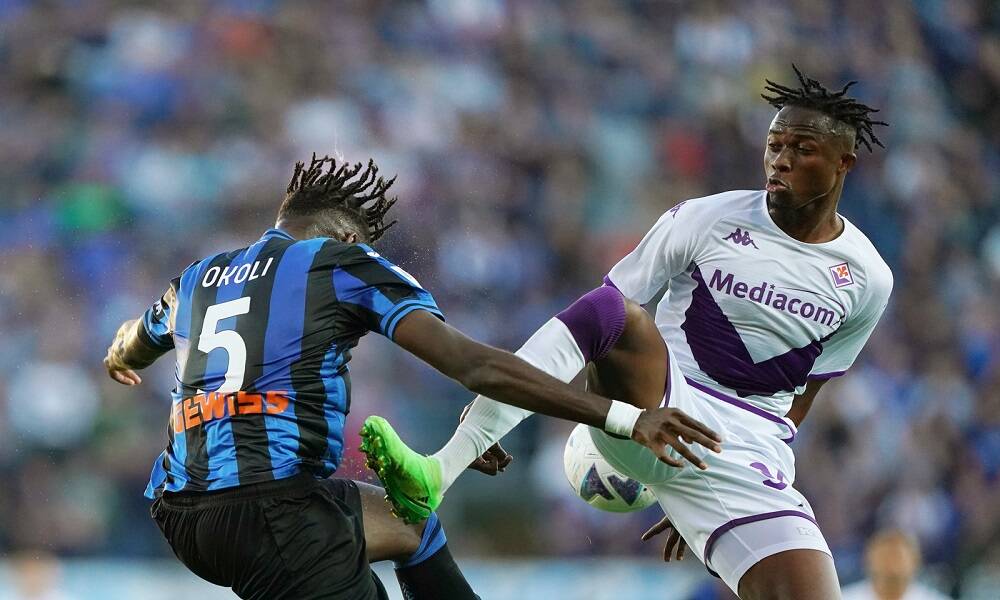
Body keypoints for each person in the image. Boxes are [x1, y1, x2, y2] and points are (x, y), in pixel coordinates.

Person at [361, 66, 894, 600]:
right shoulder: (705, 219)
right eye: (775, 145)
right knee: (618, 312)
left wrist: (697, 497)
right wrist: (504, 403)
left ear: (844, 163)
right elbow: (602, 322)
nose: (780, 160)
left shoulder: (868, 278)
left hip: (747, 455)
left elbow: (805, 393)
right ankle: (439, 469)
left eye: (803, 149)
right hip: (663, 403)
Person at [103, 155, 721, 600]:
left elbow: (136, 339)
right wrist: (624, 417)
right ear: (349, 235)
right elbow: (474, 365)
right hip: (276, 515)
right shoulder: (340, 261)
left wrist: (119, 357)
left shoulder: (199, 277)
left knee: (411, 524)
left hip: (183, 516)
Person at [841, 530, 951, 600]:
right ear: (867, 560)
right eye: (885, 556)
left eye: (898, 556)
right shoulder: (841, 597)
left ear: (916, 561)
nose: (891, 564)